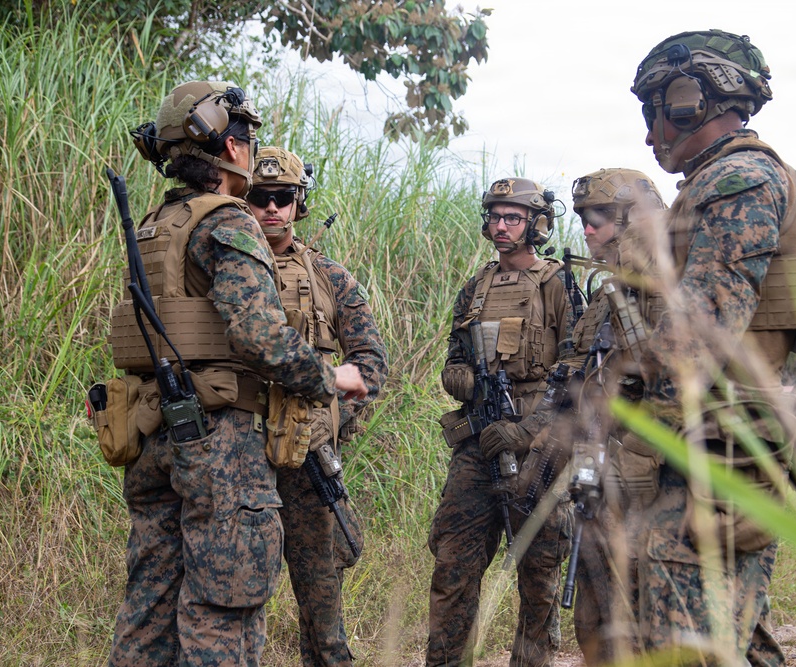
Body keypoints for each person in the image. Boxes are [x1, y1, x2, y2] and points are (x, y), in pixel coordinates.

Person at [107, 81, 367, 667]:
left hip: (153, 433)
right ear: (231, 147)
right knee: (224, 610)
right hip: (220, 446)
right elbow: (259, 337)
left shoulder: (156, 224)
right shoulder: (227, 220)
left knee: (148, 611)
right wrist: (329, 379)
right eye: (247, 140)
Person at [616, 28, 796, 664]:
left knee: (690, 644)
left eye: (654, 112)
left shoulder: (739, 179)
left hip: (711, 446)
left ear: (689, 102)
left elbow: (700, 334)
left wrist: (629, 423)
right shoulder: (735, 178)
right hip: (719, 441)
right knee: (735, 636)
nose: (650, 135)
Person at [246, 146, 388, 666]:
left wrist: (334, 419)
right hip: (238, 451)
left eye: (282, 197)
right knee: (236, 584)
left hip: (307, 453)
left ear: (298, 202)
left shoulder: (330, 276)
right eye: (260, 197)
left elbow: (371, 363)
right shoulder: (227, 267)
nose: (271, 208)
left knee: (320, 590)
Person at [427, 177, 574, 667]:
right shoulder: (475, 287)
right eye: (494, 216)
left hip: (539, 448)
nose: (501, 226)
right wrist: (462, 379)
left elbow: (577, 374)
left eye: (513, 217)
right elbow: (454, 355)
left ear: (536, 224)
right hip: (479, 442)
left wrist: (530, 430)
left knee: (538, 573)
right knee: (453, 564)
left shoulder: (557, 284)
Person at [558, 168, 668, 666]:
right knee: (595, 617)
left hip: (650, 475)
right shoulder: (607, 294)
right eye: (582, 218)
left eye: (598, 218)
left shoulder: (666, 285)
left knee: (646, 613)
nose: (586, 229)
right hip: (600, 471)